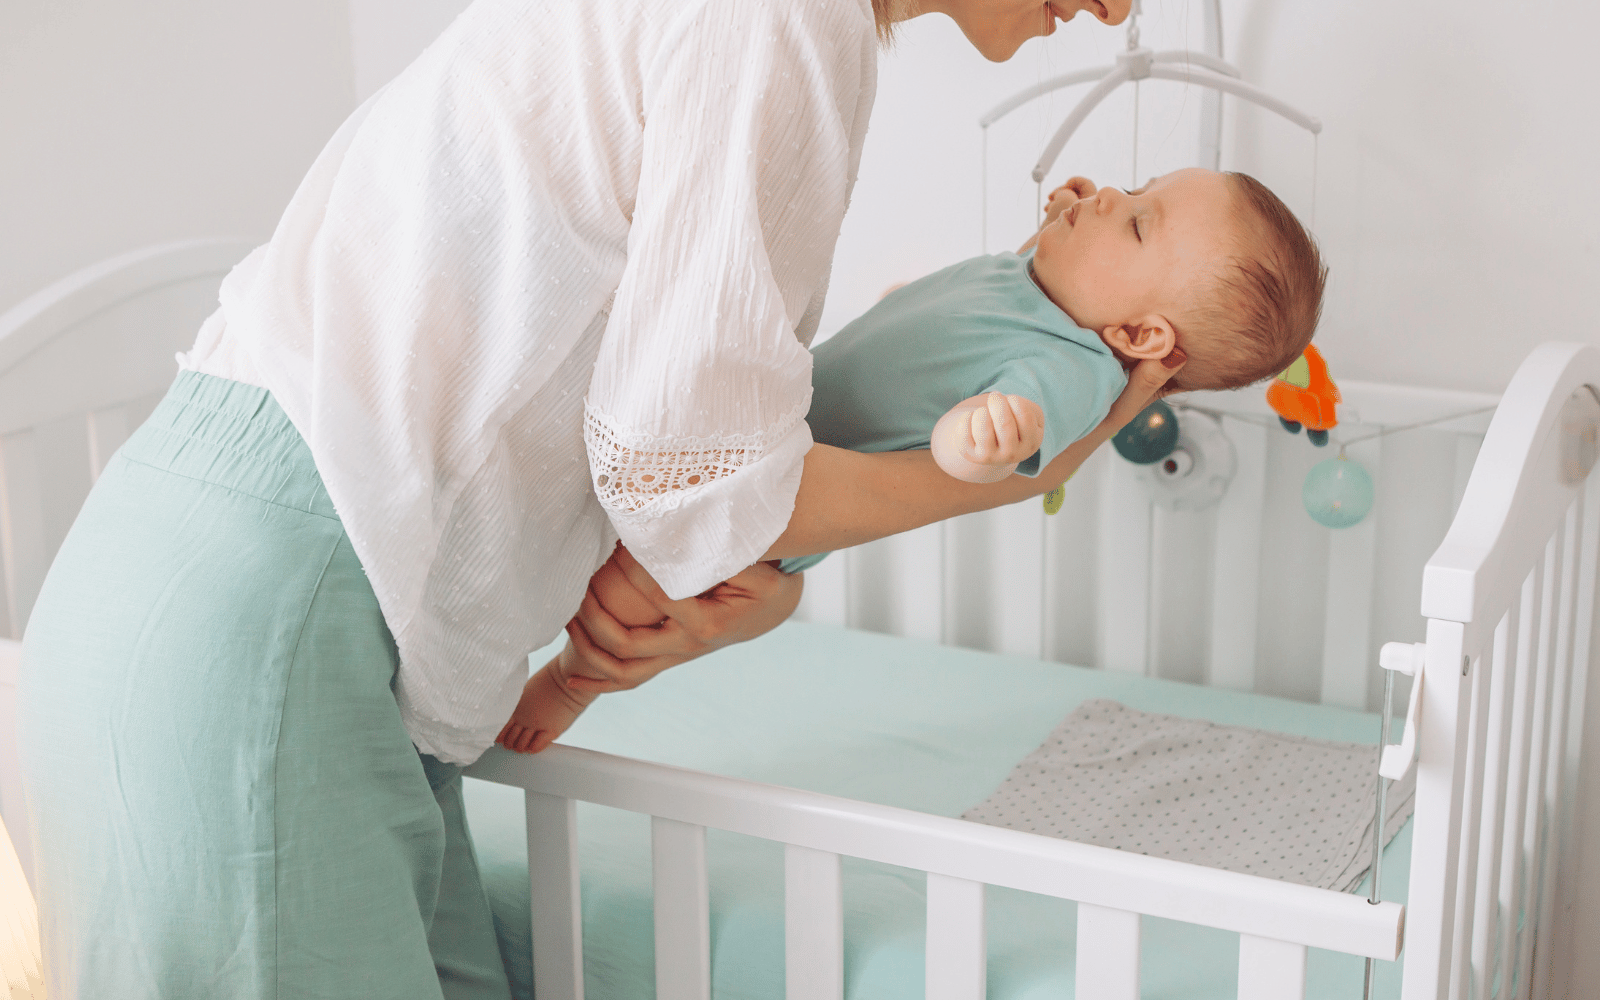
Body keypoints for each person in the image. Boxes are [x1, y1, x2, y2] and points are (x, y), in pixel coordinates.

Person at [16, 2, 1187, 998]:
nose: (1119, 11)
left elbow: (662, 448)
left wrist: (742, 579)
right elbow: (696, 474)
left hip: (291, 605)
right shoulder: (781, 23)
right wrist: (989, 481)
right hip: (269, 621)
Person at [497, 167, 1324, 754]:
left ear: (1141, 340)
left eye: (1139, 221)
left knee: (626, 593)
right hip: (753, 436)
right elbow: (999, 301)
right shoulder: (1035, 284)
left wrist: (986, 437)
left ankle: (570, 683)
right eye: (1137, 187)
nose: (1111, 194)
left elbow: (1019, 435)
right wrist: (1073, 220)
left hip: (762, 522)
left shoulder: (1071, 368)